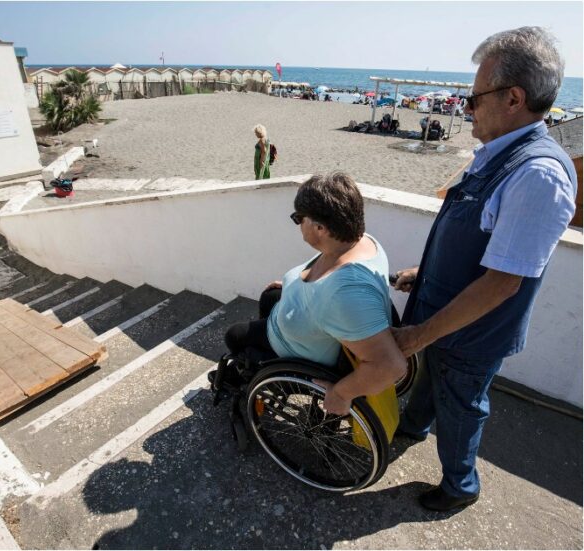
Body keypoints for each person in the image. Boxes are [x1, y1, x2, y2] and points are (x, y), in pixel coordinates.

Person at [390, 27, 577, 512]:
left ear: (513, 98)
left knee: (462, 406)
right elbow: (476, 241)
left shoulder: (537, 174)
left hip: (471, 334)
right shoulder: (500, 153)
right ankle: (411, 428)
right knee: (433, 383)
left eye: (474, 98)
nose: (466, 108)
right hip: (445, 320)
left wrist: (418, 334)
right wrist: (424, 273)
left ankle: (459, 487)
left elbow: (501, 283)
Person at [215, 172, 406, 416]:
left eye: (298, 218)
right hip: (311, 325)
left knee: (235, 335)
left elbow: (390, 366)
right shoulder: (361, 241)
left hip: (301, 350)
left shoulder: (345, 292)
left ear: (320, 228)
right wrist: (292, 285)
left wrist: (341, 392)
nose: (297, 223)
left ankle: (264, 374)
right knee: (269, 298)